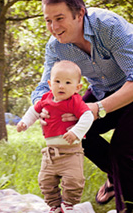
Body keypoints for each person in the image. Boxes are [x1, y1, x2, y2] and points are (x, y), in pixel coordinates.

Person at [31, 0, 133, 212]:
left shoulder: (109, 27)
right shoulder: (56, 47)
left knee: (122, 149)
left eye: (59, 18)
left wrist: (98, 108)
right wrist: (42, 109)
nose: (53, 27)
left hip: (130, 89)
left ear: (80, 14)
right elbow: (43, 88)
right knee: (73, 133)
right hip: (101, 90)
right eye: (48, 20)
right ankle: (117, 177)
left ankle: (127, 205)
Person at [17, 60, 94, 213]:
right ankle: (55, 205)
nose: (61, 86)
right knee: (45, 181)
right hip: (51, 152)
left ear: (77, 87)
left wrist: (75, 132)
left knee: (74, 180)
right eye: (57, 81)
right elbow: (34, 111)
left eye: (67, 82)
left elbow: (87, 116)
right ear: (49, 83)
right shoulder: (46, 98)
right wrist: (25, 122)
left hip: (71, 152)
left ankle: (68, 204)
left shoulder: (75, 101)